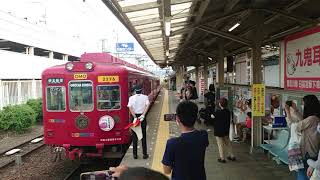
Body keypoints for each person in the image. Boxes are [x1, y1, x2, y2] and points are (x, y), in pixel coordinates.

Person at [162, 101, 209, 180]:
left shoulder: (172, 143)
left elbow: (167, 171)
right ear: (196, 116)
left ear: (177, 119)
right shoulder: (203, 135)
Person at [285, 95, 320, 180]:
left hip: (307, 153)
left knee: (303, 176)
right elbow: (303, 121)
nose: (303, 107)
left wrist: (288, 112)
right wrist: (295, 110)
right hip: (314, 151)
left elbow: (294, 126)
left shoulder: (312, 119)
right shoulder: (315, 118)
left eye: (304, 105)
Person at [127, 85, 150, 159]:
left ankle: (135, 155)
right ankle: (144, 154)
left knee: (134, 136)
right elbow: (147, 105)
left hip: (135, 118)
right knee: (143, 136)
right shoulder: (145, 97)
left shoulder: (131, 98)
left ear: (135, 91)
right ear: (142, 90)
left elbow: (130, 108)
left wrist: (134, 117)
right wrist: (143, 115)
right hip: (142, 118)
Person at [212, 98, 236, 163]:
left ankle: (222, 158)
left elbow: (212, 116)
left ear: (220, 104)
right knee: (228, 143)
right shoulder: (228, 112)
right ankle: (232, 156)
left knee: (220, 144)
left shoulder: (217, 112)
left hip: (218, 131)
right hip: (226, 130)